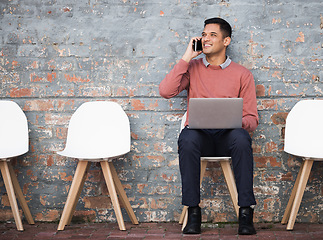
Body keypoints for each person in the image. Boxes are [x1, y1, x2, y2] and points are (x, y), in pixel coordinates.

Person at [159, 17, 258, 235]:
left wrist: (234, 119)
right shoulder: (192, 67)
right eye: (204, 34)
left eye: (212, 35)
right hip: (199, 137)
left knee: (242, 138)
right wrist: (187, 57)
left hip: (228, 137)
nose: (206, 39)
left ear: (226, 41)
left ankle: (245, 214)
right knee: (187, 138)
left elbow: (252, 119)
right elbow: (166, 91)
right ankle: (193, 212)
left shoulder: (243, 74)